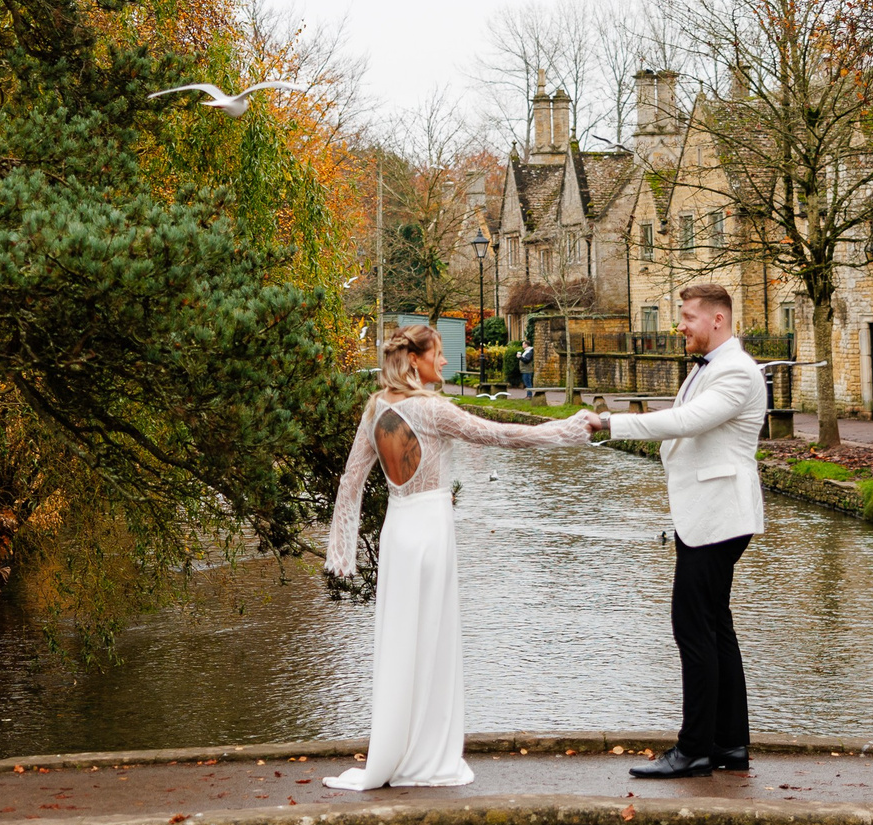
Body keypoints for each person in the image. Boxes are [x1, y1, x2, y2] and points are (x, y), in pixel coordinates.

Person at [323, 324, 591, 789]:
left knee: (402, 642)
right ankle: (427, 757)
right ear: (415, 361)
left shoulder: (374, 408)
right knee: (432, 641)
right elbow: (499, 435)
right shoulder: (431, 409)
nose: (445, 362)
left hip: (397, 531)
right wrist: (565, 431)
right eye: (439, 353)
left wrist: (342, 552)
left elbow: (351, 481)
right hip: (430, 529)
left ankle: (397, 751)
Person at [583, 282, 767, 779]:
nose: (679, 325)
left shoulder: (735, 370)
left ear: (717, 320)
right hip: (709, 512)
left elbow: (685, 421)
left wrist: (608, 422)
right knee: (715, 625)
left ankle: (694, 750)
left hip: (718, 514)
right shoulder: (713, 365)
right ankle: (729, 745)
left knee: (692, 627)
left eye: (687, 316)